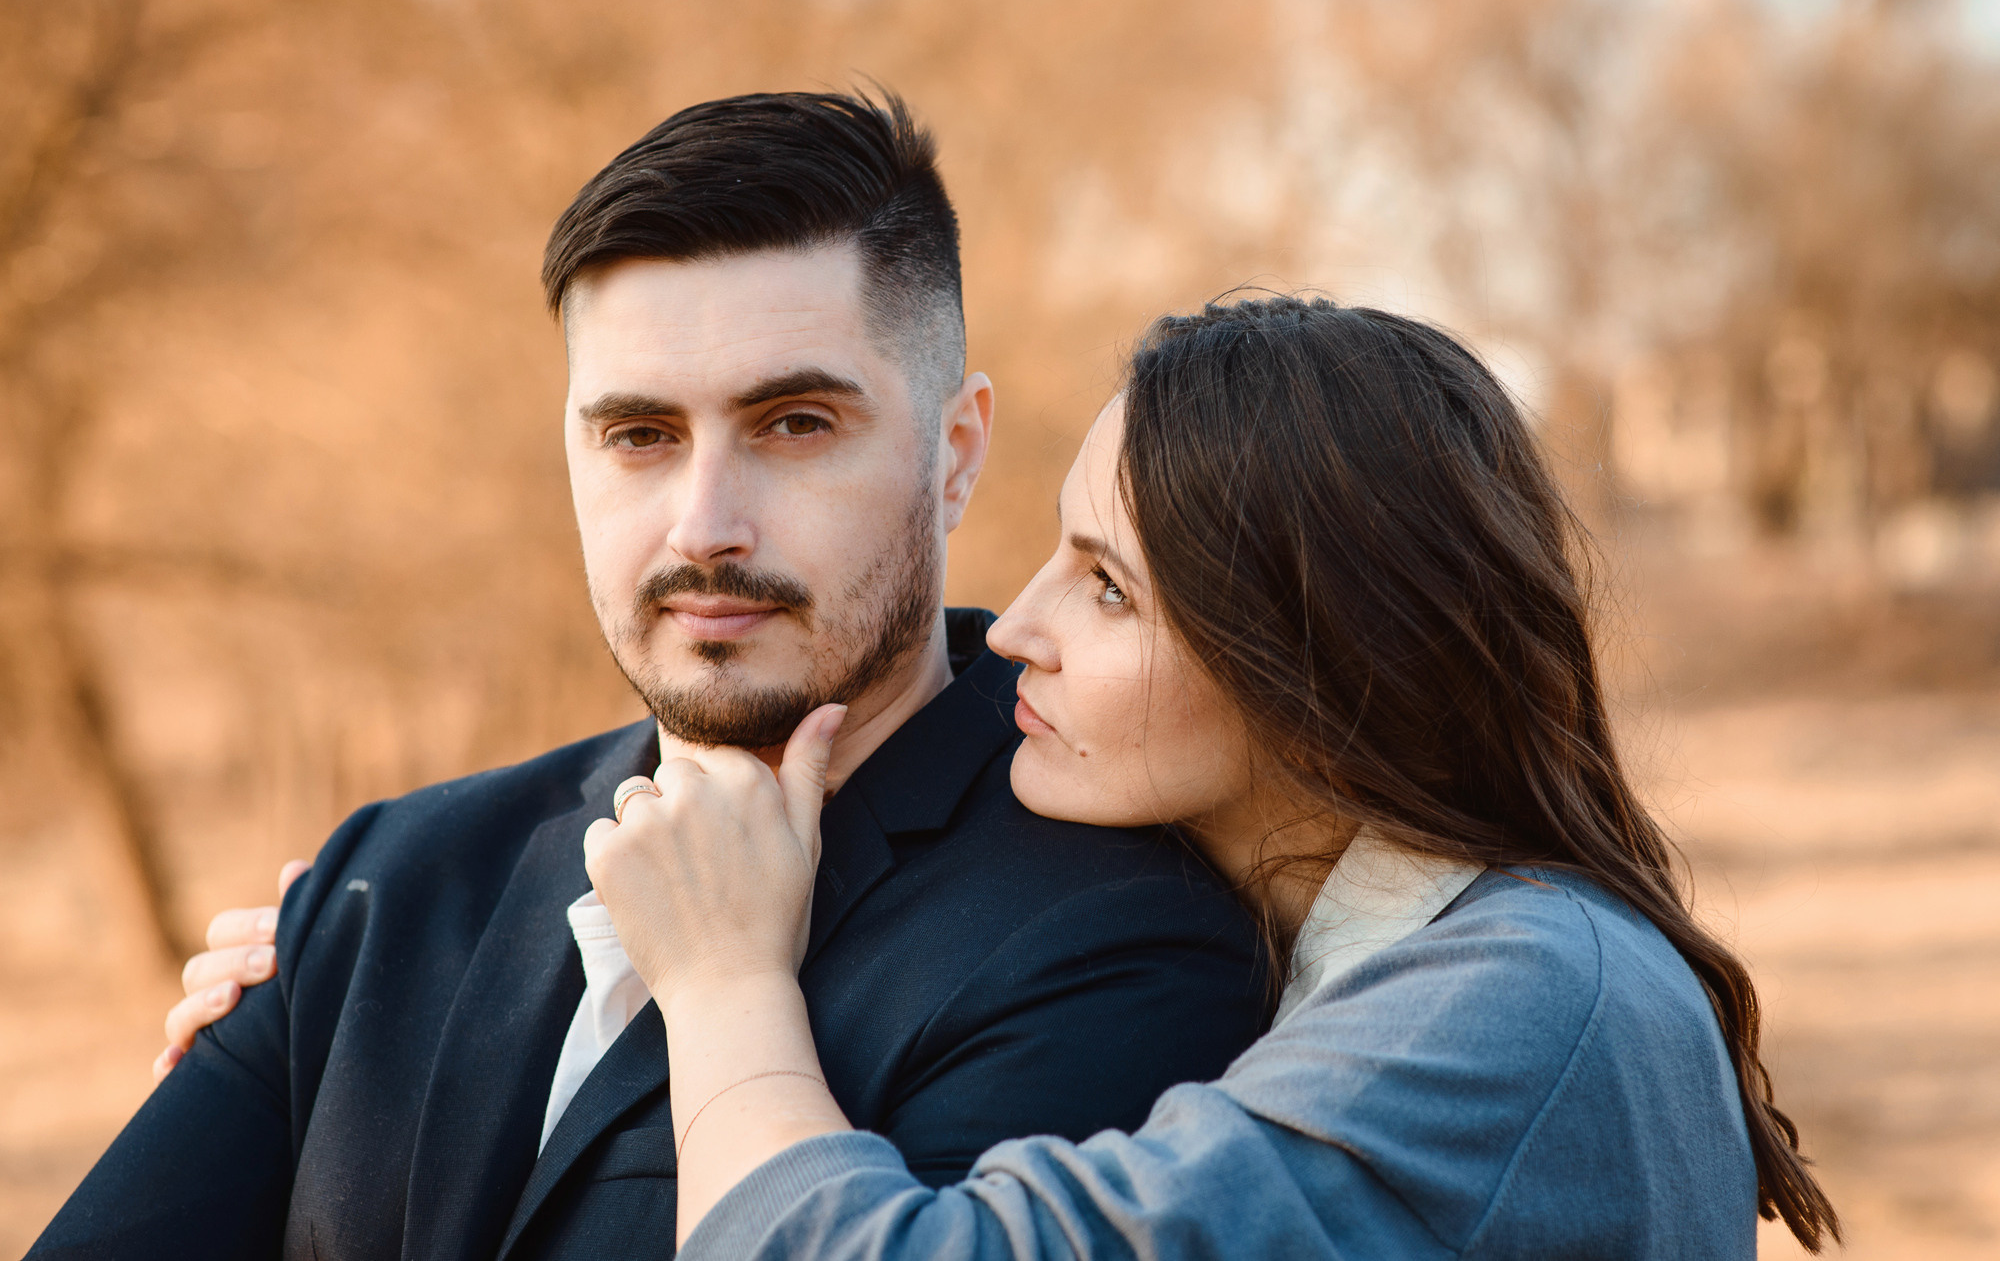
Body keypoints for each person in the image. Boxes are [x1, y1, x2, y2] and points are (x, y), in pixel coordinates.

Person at [28, 93, 1268, 1260]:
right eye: (638, 436)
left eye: (794, 424)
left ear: (953, 453)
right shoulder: (384, 880)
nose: (703, 527)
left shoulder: (1125, 945)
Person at [579, 296, 1843, 1257]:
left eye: (1106, 588)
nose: (1013, 629)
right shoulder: (1487, 963)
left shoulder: (1517, 1005)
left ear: (1320, 671)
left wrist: (724, 983)